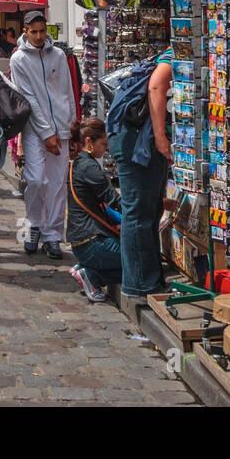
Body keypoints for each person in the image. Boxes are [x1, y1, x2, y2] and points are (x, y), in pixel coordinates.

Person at [9, 12, 77, 260]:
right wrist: (47, 133)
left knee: (58, 185)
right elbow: (29, 98)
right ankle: (33, 225)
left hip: (62, 128)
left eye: (42, 31)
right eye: (33, 31)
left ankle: (53, 235)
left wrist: (71, 128)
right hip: (34, 129)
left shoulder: (59, 55)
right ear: (25, 31)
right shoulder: (18, 60)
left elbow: (68, 93)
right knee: (37, 180)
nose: (38, 36)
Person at [110, 52, 172, 302]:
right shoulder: (171, 57)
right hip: (137, 141)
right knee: (138, 212)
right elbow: (156, 86)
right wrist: (160, 138)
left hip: (138, 140)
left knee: (150, 209)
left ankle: (149, 279)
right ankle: (138, 284)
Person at [66, 118, 122, 302]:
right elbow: (113, 200)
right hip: (91, 242)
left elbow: (103, 205)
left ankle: (85, 268)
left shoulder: (79, 162)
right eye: (103, 144)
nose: (105, 149)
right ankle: (92, 276)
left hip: (82, 239)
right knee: (141, 262)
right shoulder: (89, 167)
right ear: (89, 142)